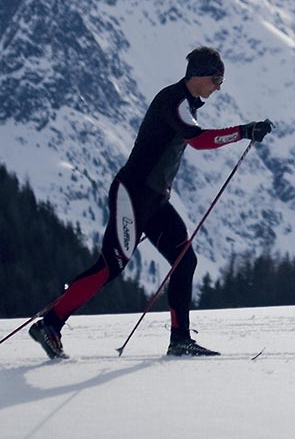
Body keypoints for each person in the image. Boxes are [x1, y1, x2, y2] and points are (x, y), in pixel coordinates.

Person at [28, 47, 273, 359]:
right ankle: (50, 324)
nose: (218, 86)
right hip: (132, 194)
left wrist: (244, 131)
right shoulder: (174, 100)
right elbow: (196, 140)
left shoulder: (186, 103)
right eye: (216, 79)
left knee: (185, 260)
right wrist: (243, 131)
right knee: (110, 266)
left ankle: (180, 340)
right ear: (198, 75)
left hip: (154, 200)